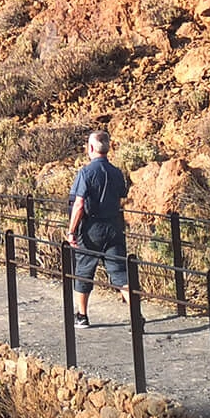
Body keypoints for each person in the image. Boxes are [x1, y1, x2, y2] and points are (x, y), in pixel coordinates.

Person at [67, 128, 132, 327]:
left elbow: (78, 204)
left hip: (91, 228)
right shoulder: (116, 172)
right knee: (119, 272)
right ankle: (135, 315)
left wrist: (71, 231)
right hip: (113, 226)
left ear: (92, 147)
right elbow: (122, 195)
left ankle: (82, 315)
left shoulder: (86, 172)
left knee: (84, 270)